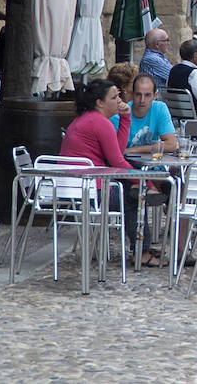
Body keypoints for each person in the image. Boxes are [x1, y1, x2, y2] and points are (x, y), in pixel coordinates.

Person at [60, 77, 145, 259]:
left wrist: (125, 118)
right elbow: (117, 162)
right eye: (114, 97)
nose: (120, 101)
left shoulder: (89, 119)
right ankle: (142, 251)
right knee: (134, 196)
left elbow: (117, 154)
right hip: (88, 190)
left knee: (133, 189)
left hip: (78, 185)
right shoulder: (99, 122)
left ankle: (142, 249)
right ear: (100, 102)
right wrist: (145, 182)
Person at [114, 72, 178, 155]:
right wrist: (154, 148)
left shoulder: (160, 108)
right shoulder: (118, 116)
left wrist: (135, 150)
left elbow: (171, 145)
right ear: (132, 95)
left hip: (152, 165)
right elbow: (115, 152)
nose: (142, 100)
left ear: (155, 96)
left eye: (147, 95)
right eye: (138, 95)